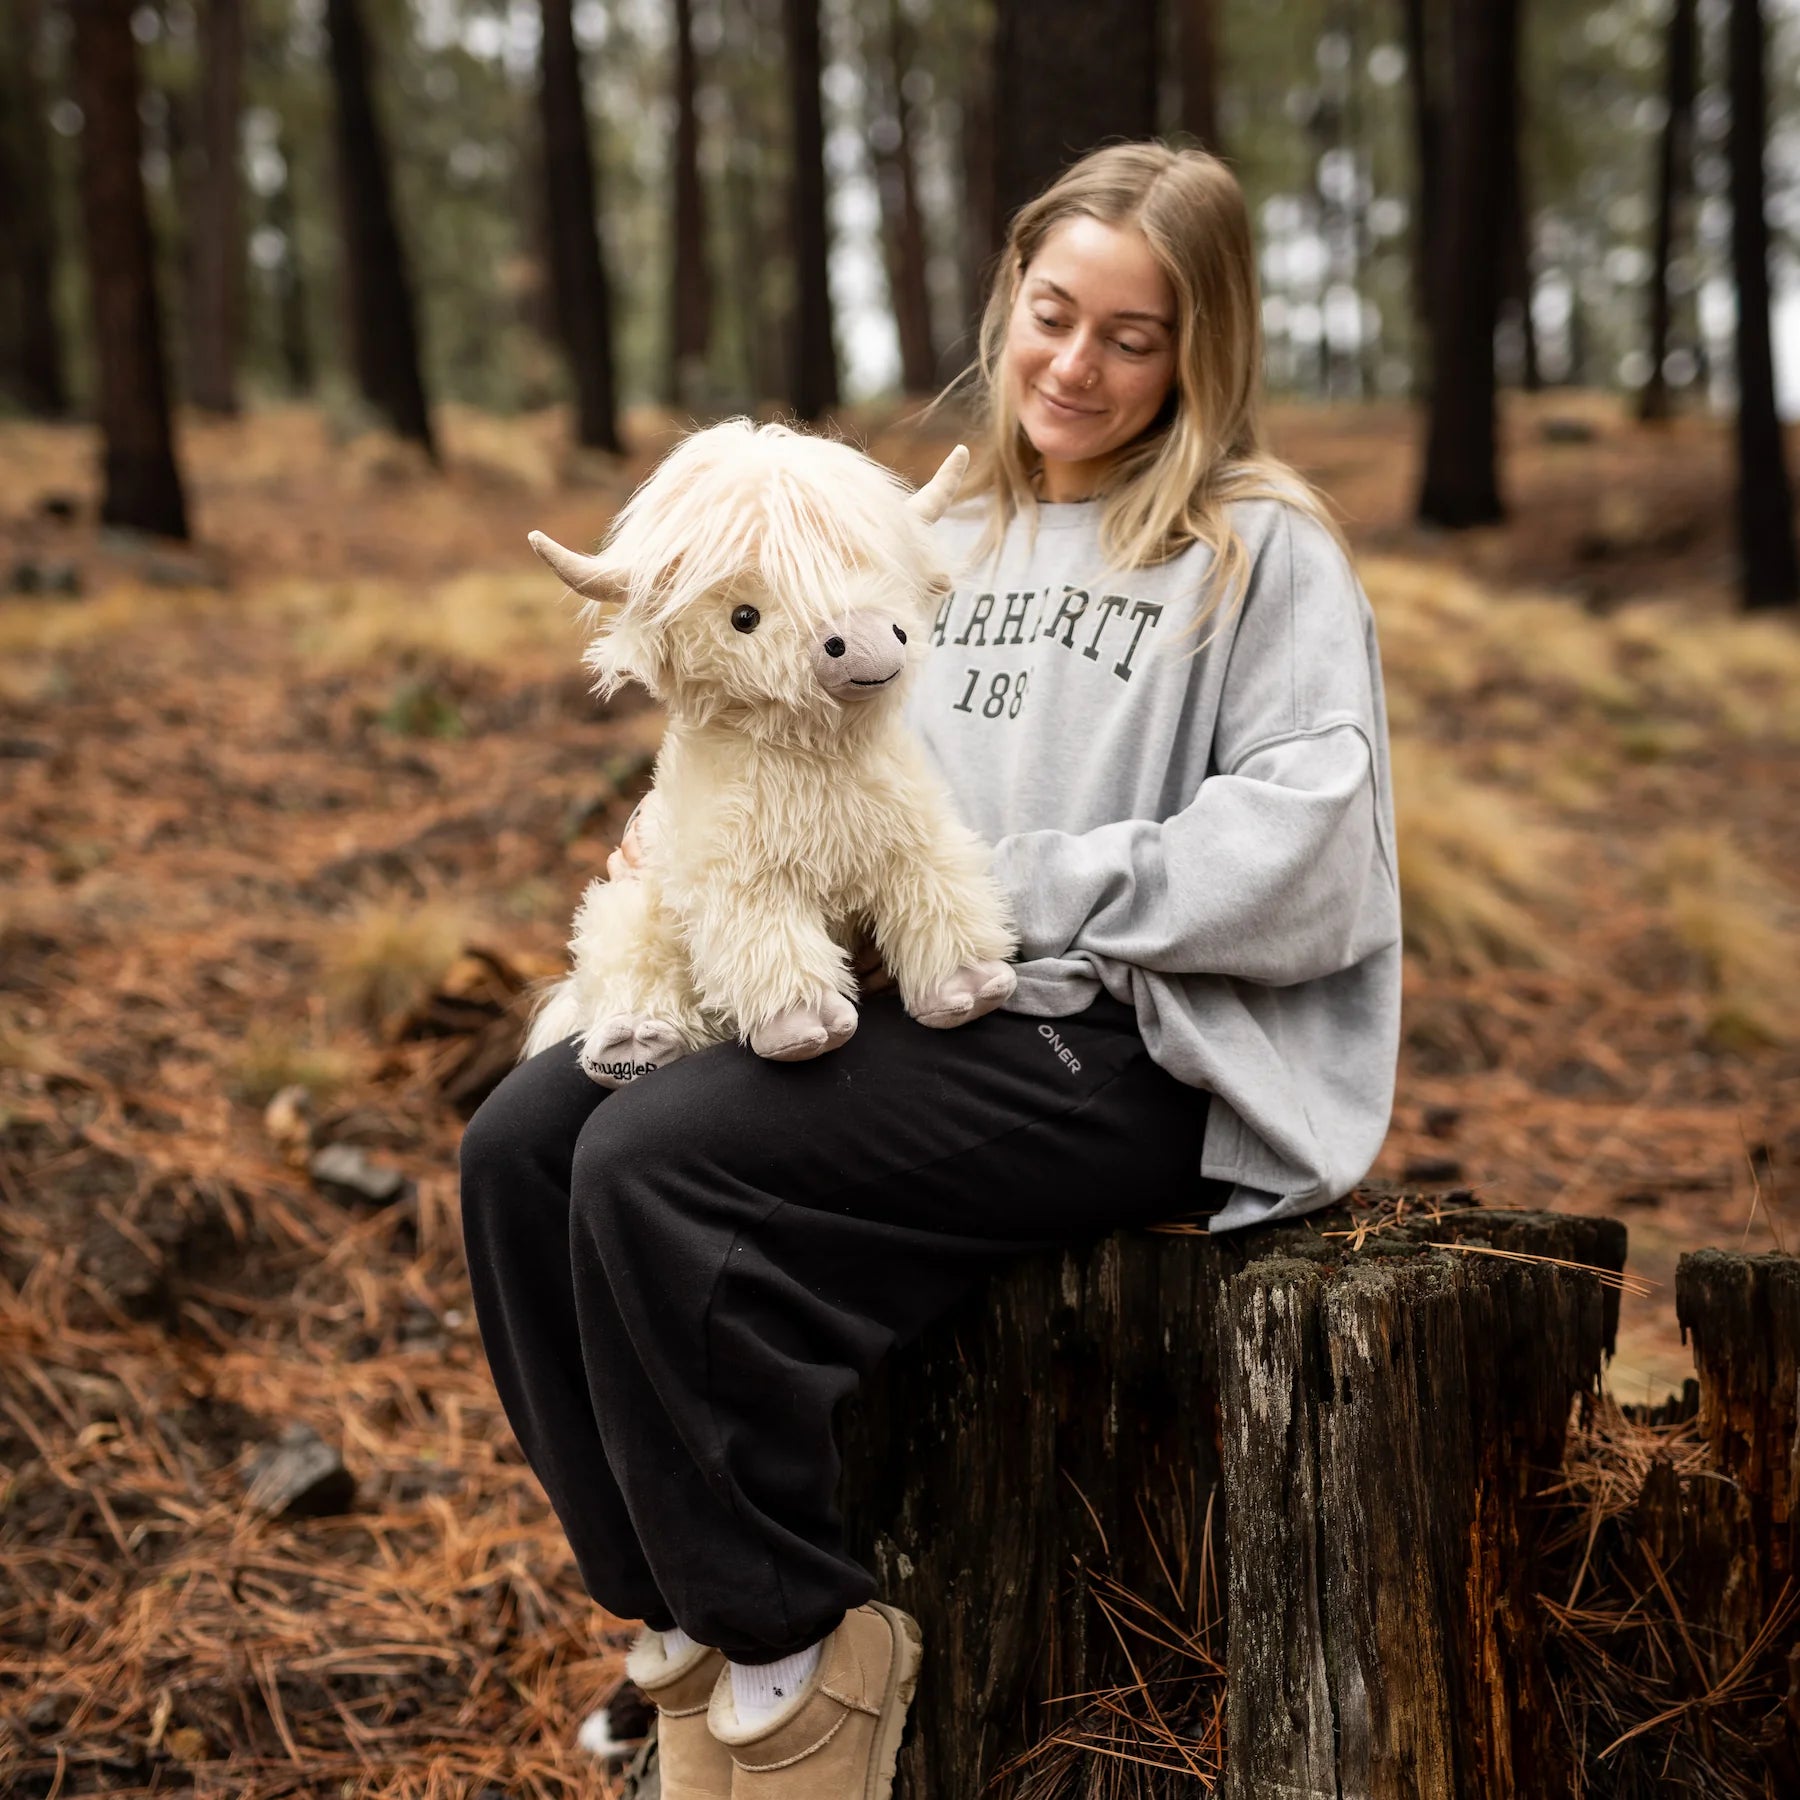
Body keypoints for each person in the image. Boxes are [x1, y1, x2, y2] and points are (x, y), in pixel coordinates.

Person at [457, 141, 1399, 1800]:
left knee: (659, 1164)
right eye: (1053, 315)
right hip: (909, 990)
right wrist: (684, 854)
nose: (1076, 366)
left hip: (1138, 1041)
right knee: (523, 1150)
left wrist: (1011, 886)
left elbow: (1313, 859)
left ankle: (796, 1662)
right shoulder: (925, 524)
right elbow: (763, 725)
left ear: (1205, 350)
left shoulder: (1260, 551)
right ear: (1008, 302)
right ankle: (672, 1614)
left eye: (1136, 335)